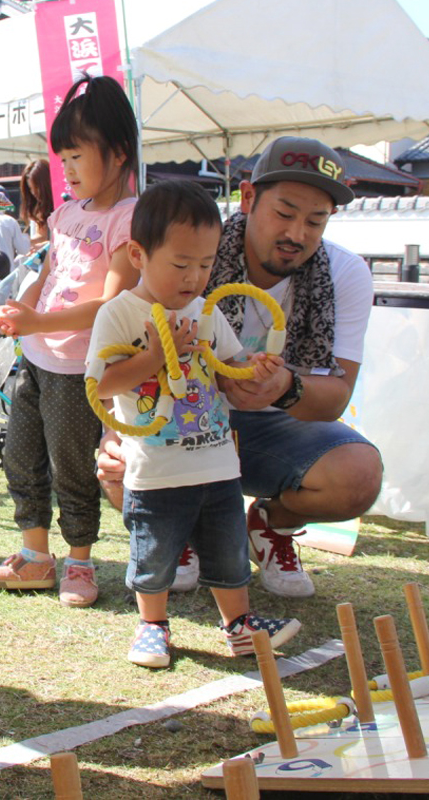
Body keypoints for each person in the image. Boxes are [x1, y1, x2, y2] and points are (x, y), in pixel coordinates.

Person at [97, 136, 382, 599]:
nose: (297, 234)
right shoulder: (179, 249)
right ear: (248, 198)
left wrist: (285, 387)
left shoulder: (345, 274)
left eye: (316, 220)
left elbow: (337, 396)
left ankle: (270, 523)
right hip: (180, 420)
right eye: (284, 213)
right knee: (117, 467)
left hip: (273, 431)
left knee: (358, 473)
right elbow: (114, 358)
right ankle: (183, 532)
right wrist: (113, 431)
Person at [88, 181, 301, 667]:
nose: (195, 277)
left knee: (228, 551)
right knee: (155, 553)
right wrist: (157, 356)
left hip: (218, 462)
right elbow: (99, 384)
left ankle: (239, 626)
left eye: (205, 265)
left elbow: (229, 370)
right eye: (181, 265)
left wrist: (253, 368)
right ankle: (152, 626)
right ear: (138, 255)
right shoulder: (120, 314)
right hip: (155, 468)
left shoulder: (205, 311)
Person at [0, 74, 140, 608]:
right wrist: (24, 308)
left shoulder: (129, 219)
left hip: (77, 368)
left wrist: (37, 323)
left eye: (75, 157)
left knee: (71, 467)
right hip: (36, 358)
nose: (65, 170)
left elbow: (113, 307)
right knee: (21, 457)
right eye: (62, 158)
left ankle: (82, 563)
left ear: (117, 154)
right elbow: (47, 274)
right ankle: (36, 558)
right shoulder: (67, 212)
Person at [20, 157, 54, 250]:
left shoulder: (62, 205)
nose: (33, 193)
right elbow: (41, 235)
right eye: (30, 189)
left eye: (36, 188)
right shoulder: (40, 207)